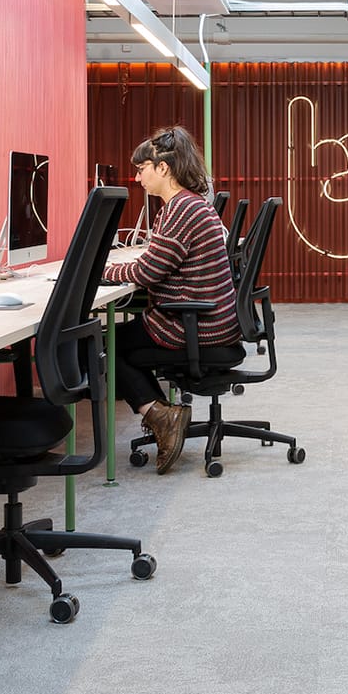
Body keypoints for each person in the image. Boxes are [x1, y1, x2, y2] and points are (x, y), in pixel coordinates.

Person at [102, 126, 237, 474]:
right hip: (206, 320)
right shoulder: (187, 206)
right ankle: (163, 416)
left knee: (105, 346)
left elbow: (147, 272)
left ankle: (160, 417)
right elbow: (157, 264)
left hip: (195, 325)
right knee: (117, 340)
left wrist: (99, 272)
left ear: (163, 168)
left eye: (142, 168)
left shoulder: (181, 210)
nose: (137, 177)